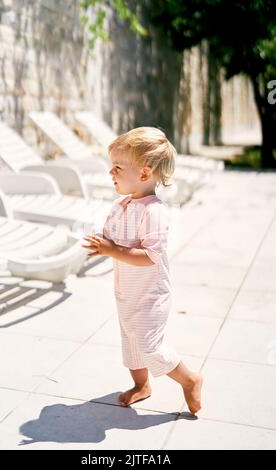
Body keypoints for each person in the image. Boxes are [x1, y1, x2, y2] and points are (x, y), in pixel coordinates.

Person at [82, 127, 202, 414]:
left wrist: (112, 250)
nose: (111, 172)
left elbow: (150, 256)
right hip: (126, 291)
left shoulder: (154, 212)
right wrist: (103, 243)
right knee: (131, 342)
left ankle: (190, 379)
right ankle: (142, 386)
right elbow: (112, 236)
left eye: (117, 167)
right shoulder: (121, 205)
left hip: (151, 294)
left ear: (145, 174)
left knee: (149, 344)